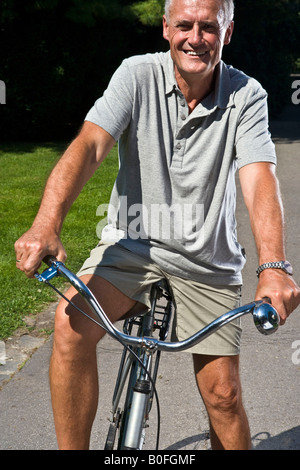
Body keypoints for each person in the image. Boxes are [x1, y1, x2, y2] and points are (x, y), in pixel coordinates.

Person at [15, 0, 300, 450]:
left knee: (223, 395)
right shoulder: (135, 75)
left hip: (207, 261)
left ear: (227, 33)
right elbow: (90, 145)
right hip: (132, 249)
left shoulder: (247, 95)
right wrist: (47, 222)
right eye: (184, 24)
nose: (195, 37)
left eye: (208, 26)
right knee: (70, 326)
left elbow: (259, 177)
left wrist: (274, 265)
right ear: (166, 29)